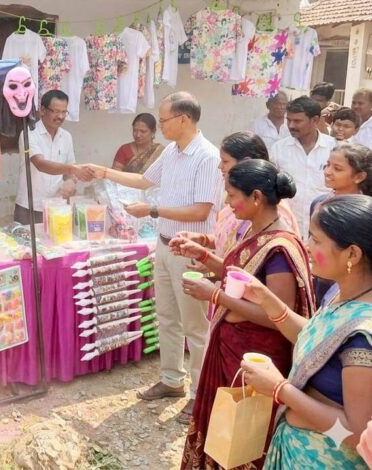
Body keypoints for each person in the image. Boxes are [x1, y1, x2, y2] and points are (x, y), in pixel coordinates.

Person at [92, 91, 224, 424]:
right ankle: (171, 380)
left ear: (184, 119)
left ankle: (200, 394)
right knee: (166, 316)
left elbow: (201, 209)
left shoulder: (207, 157)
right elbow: (144, 180)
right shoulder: (171, 151)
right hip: (164, 246)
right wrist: (105, 173)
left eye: (164, 120)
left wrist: (152, 209)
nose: (160, 125)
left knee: (195, 326)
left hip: (192, 252)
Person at [175, 160, 314, 469]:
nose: (227, 202)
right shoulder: (255, 231)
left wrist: (216, 296)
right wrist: (203, 255)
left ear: (255, 197)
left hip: (255, 357)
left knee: (243, 436)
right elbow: (241, 274)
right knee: (221, 427)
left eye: (232, 194)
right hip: (230, 349)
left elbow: (276, 315)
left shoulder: (279, 248)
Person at [238, 194, 372, 469]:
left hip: (325, 459)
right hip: (296, 447)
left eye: (316, 240)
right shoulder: (342, 294)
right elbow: (319, 339)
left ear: (353, 254)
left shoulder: (362, 336)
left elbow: (354, 435)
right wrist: (267, 300)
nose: (307, 247)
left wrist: (280, 389)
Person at [177, 132, 300, 259]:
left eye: (225, 161)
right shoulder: (244, 202)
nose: (220, 166)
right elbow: (233, 242)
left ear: (245, 162)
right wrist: (203, 240)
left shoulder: (271, 210)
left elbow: (259, 262)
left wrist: (210, 261)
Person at [13, 90, 95, 225]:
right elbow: (41, 164)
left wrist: (70, 182)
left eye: (64, 112)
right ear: (42, 110)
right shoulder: (29, 134)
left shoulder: (66, 137)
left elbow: (70, 169)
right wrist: (73, 170)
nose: (60, 116)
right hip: (30, 207)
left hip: (57, 207)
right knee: (26, 245)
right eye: (56, 111)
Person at [310, 143, 372, 306]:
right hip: (322, 277)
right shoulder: (319, 204)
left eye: (337, 168)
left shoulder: (366, 212)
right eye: (327, 165)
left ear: (359, 177)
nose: (328, 172)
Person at [270, 96, 336, 239]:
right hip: (287, 228)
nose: (291, 125)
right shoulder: (278, 149)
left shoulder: (334, 149)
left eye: (297, 121)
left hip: (324, 229)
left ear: (315, 120)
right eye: (289, 120)